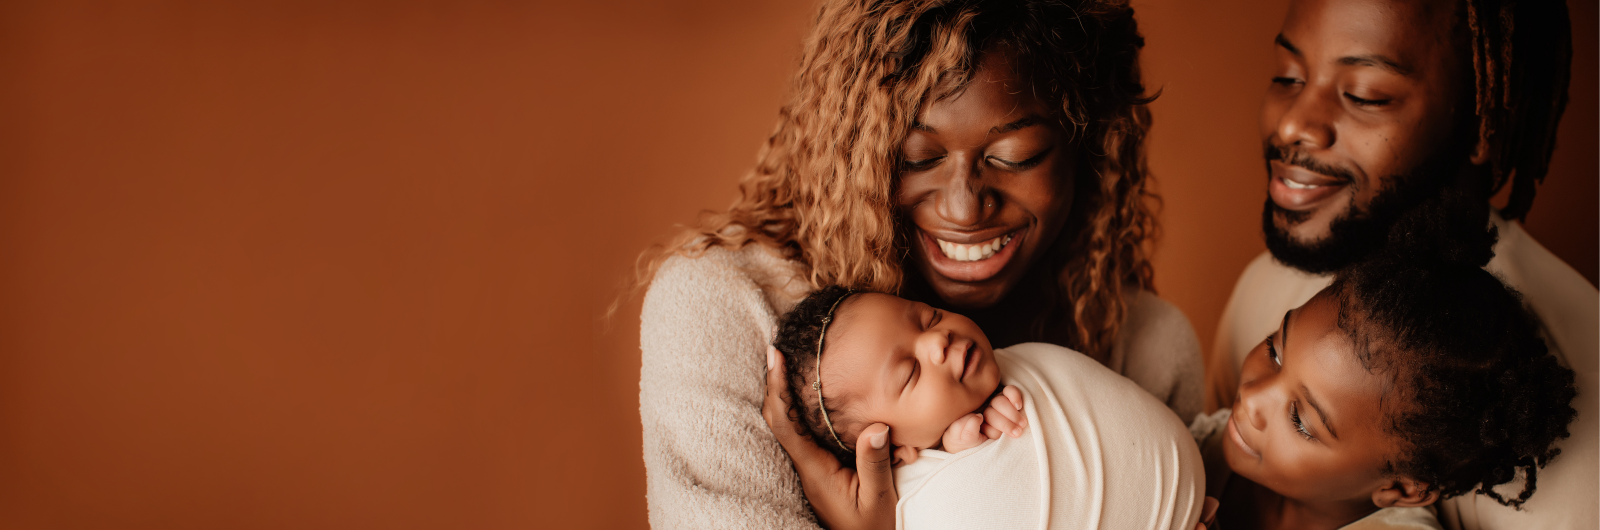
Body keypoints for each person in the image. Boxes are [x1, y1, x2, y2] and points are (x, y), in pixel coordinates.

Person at [635, 0, 1202, 528]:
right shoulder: (728, 313)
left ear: (1087, 145)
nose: (964, 206)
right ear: (855, 148)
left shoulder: (1144, 345)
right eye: (918, 158)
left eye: (1015, 156)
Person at [1206, 0, 1596, 528]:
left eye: (1364, 94)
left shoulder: (1580, 458)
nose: (1294, 124)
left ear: (1483, 121)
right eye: (1288, 76)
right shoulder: (1272, 284)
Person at [768, 287, 1205, 530]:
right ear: (892, 450)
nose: (936, 342)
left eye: (928, 317)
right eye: (910, 374)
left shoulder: (1008, 376)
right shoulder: (921, 508)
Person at [1196, 254, 1577, 530]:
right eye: (1274, 352)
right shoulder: (1201, 446)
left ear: (1401, 489)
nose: (1253, 398)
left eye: (1301, 420)